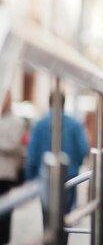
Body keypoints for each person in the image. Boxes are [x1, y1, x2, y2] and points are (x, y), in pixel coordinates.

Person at [26, 91, 89, 245]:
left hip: (45, 177)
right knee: (65, 217)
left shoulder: (40, 124)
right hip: (70, 176)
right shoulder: (74, 124)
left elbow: (32, 154)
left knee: (48, 218)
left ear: (49, 103)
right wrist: (76, 165)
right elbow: (83, 149)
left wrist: (31, 178)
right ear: (64, 103)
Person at [0, 92, 26, 245]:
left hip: (6, 173)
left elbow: (12, 144)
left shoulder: (17, 122)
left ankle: (3, 238)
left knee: (5, 207)